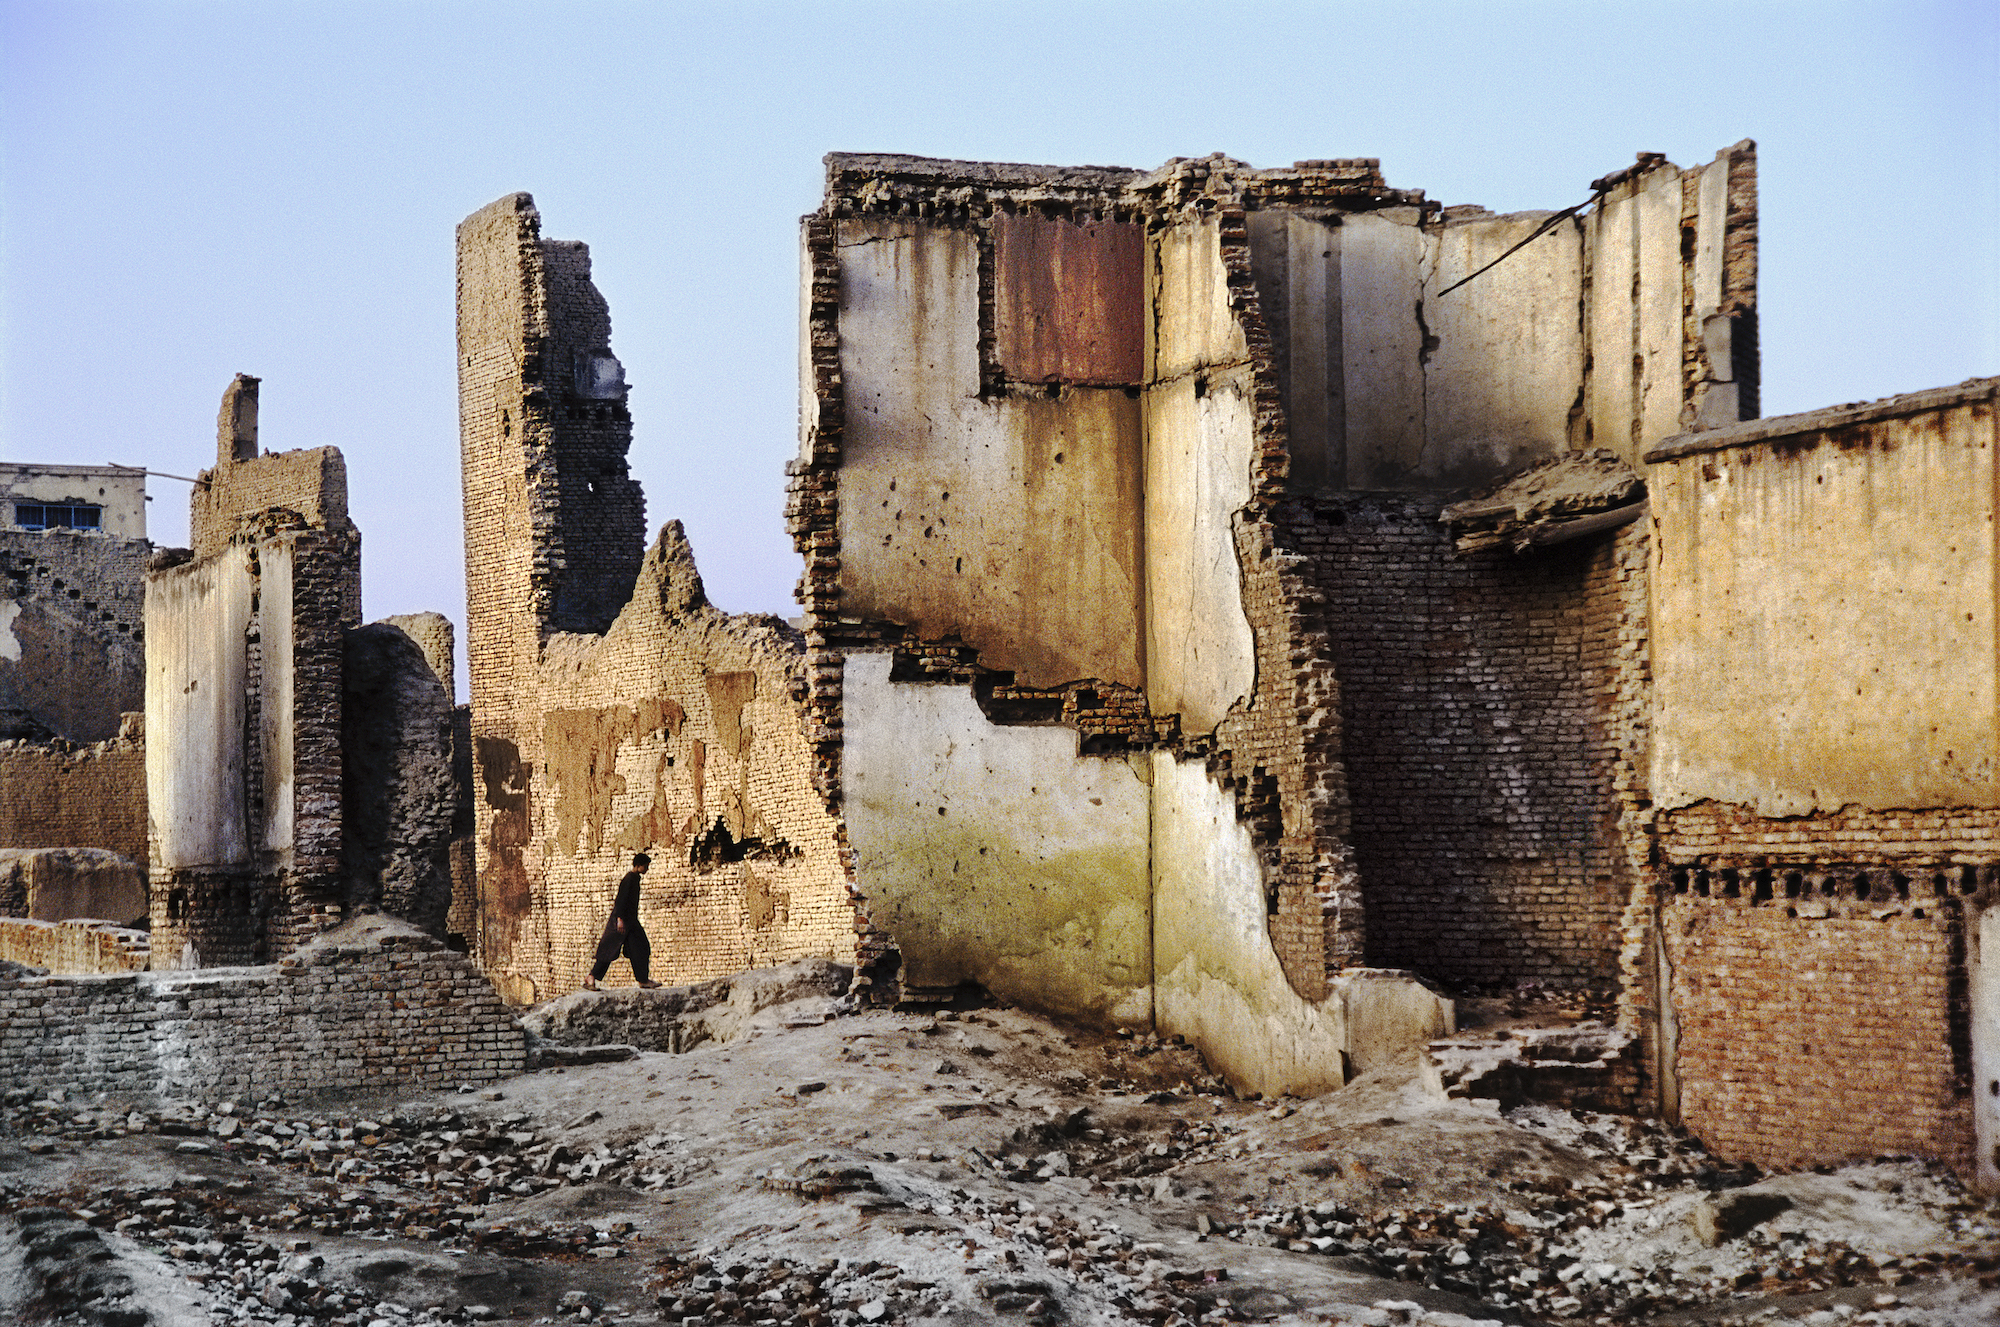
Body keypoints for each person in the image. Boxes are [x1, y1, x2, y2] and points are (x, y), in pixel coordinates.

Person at [582, 853, 661, 991]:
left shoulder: (635, 878)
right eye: (646, 866)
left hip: (630, 922)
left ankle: (643, 980)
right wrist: (619, 919)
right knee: (608, 950)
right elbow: (621, 899)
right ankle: (591, 977)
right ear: (638, 865)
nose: (647, 869)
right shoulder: (629, 879)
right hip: (620, 922)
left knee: (641, 948)